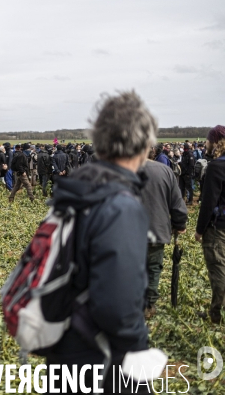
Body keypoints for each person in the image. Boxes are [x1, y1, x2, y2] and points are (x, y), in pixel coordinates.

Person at [47, 91, 157, 393]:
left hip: (63, 347)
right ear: (144, 145)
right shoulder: (121, 205)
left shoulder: (77, 189)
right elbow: (117, 308)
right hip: (101, 358)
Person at [139, 156, 188, 318]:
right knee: (153, 267)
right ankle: (148, 304)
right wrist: (180, 224)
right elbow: (177, 204)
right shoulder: (164, 170)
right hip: (156, 229)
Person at [195, 125, 225, 324]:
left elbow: (208, 202)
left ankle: (217, 314)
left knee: (218, 268)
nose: (206, 143)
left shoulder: (216, 166)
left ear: (215, 142)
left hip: (218, 227)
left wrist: (199, 229)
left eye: (207, 140)